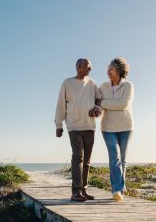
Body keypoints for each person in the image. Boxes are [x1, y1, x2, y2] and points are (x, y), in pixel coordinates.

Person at [55, 58, 101, 202]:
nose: (90, 69)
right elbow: (61, 104)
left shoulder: (92, 83)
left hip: (89, 126)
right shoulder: (67, 83)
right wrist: (58, 125)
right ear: (79, 67)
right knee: (78, 157)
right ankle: (75, 191)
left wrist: (97, 108)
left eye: (90, 67)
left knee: (86, 160)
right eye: (88, 66)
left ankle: (83, 190)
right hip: (74, 126)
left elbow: (99, 99)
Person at [97, 57, 134, 201]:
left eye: (111, 69)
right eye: (108, 68)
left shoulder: (128, 86)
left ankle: (121, 188)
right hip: (107, 127)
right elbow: (98, 105)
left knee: (122, 160)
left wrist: (104, 103)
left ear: (119, 70)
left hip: (126, 127)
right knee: (115, 158)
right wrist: (99, 107)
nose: (108, 71)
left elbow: (123, 105)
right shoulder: (102, 87)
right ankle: (117, 190)